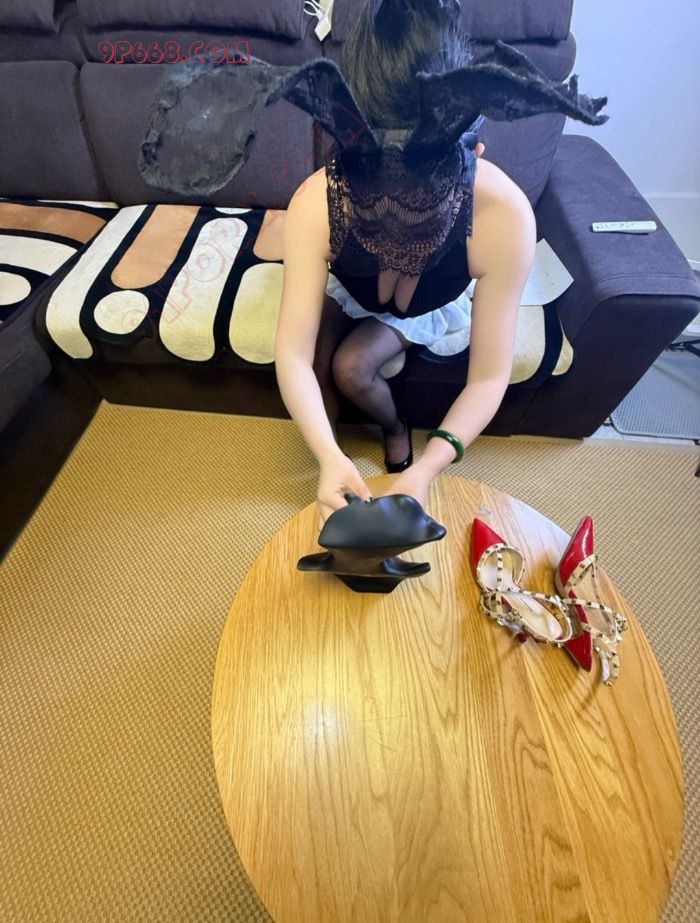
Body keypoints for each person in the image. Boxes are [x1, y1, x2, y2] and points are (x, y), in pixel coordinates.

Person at [274, 0, 537, 529]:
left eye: (422, 203)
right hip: (353, 289)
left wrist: (429, 467)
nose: (397, 218)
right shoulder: (316, 203)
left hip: (426, 303)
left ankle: (396, 429)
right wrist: (327, 457)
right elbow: (292, 354)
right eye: (374, 199)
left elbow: (489, 376)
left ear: (474, 156)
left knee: (351, 366)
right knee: (324, 370)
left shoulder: (503, 218)